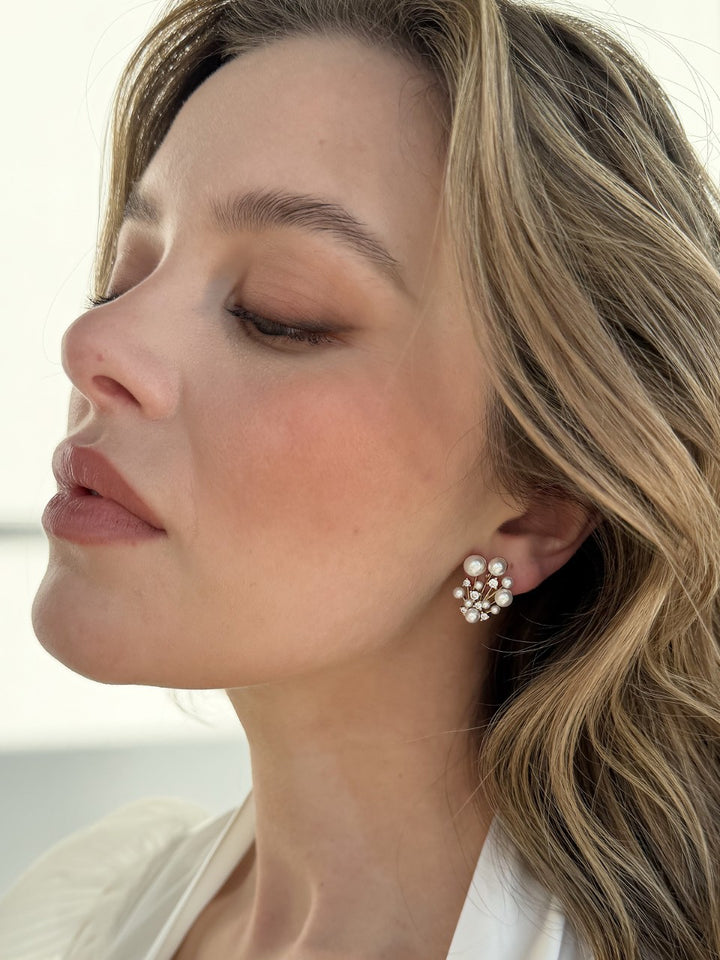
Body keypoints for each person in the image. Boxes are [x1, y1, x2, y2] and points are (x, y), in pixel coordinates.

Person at [1, 0, 719, 957]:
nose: (93, 343)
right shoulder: (71, 917)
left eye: (277, 313)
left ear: (539, 508)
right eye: (129, 272)